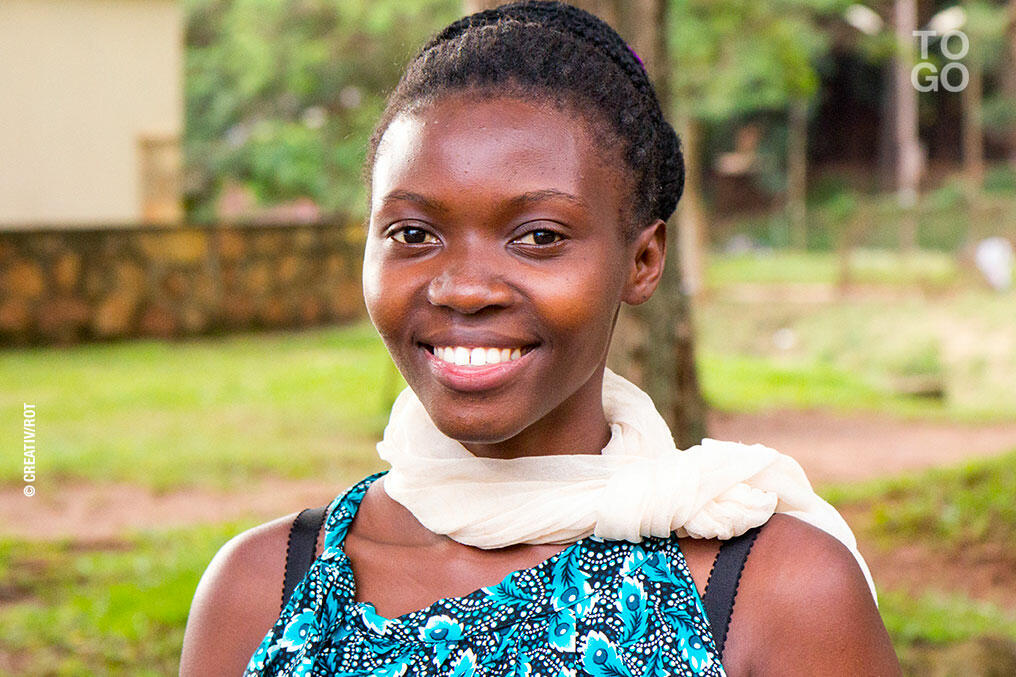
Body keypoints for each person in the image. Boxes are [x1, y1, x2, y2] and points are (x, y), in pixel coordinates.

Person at [179, 2, 901, 675]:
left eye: (539, 237)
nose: (464, 288)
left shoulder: (774, 593)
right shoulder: (262, 590)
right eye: (413, 234)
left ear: (643, 261)